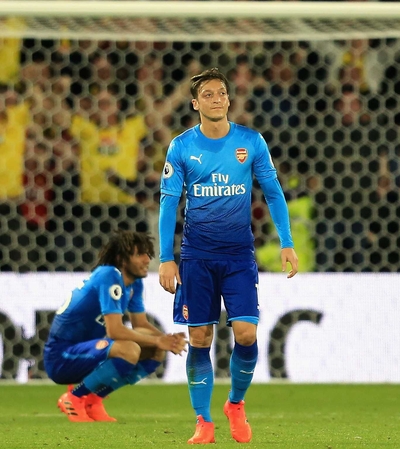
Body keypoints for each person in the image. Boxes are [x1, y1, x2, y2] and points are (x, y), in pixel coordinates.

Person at [158, 67, 298, 444]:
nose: (216, 99)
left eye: (221, 93)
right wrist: (165, 257)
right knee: (200, 338)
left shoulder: (251, 142)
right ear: (195, 103)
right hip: (196, 256)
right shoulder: (181, 146)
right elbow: (169, 203)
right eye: (208, 94)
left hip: (238, 256)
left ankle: (235, 404)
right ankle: (203, 421)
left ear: (229, 100)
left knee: (246, 334)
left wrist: (286, 241)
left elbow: (273, 192)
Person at [44, 230, 188, 422]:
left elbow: (140, 324)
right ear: (121, 259)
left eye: (147, 253)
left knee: (155, 350)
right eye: (139, 254)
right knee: (128, 349)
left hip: (91, 351)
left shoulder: (134, 284)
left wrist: (167, 340)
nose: (147, 259)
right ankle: (74, 397)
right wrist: (159, 339)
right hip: (61, 356)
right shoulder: (108, 275)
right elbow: (115, 331)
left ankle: (93, 401)